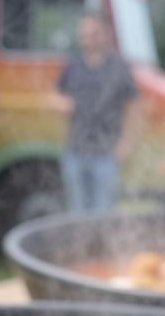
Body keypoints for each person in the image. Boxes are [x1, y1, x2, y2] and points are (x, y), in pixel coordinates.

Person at [51, 14, 138, 212]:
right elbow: (54, 95)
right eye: (84, 35)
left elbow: (133, 107)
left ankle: (103, 244)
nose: (89, 39)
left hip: (107, 154)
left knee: (104, 214)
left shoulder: (119, 66)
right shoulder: (72, 65)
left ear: (106, 34)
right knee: (77, 213)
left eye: (94, 34)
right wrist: (61, 102)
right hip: (75, 152)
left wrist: (127, 143)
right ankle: (81, 244)